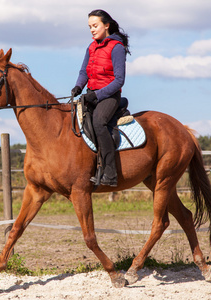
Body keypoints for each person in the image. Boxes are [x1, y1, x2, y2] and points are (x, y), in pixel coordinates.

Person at [71, 9, 130, 187]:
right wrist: (78, 86)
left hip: (109, 96)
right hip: (91, 94)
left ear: (106, 25)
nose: (92, 30)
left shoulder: (117, 48)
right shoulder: (91, 47)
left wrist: (96, 95)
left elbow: (119, 80)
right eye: (90, 27)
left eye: (95, 26)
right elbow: (84, 72)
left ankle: (110, 173)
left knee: (98, 122)